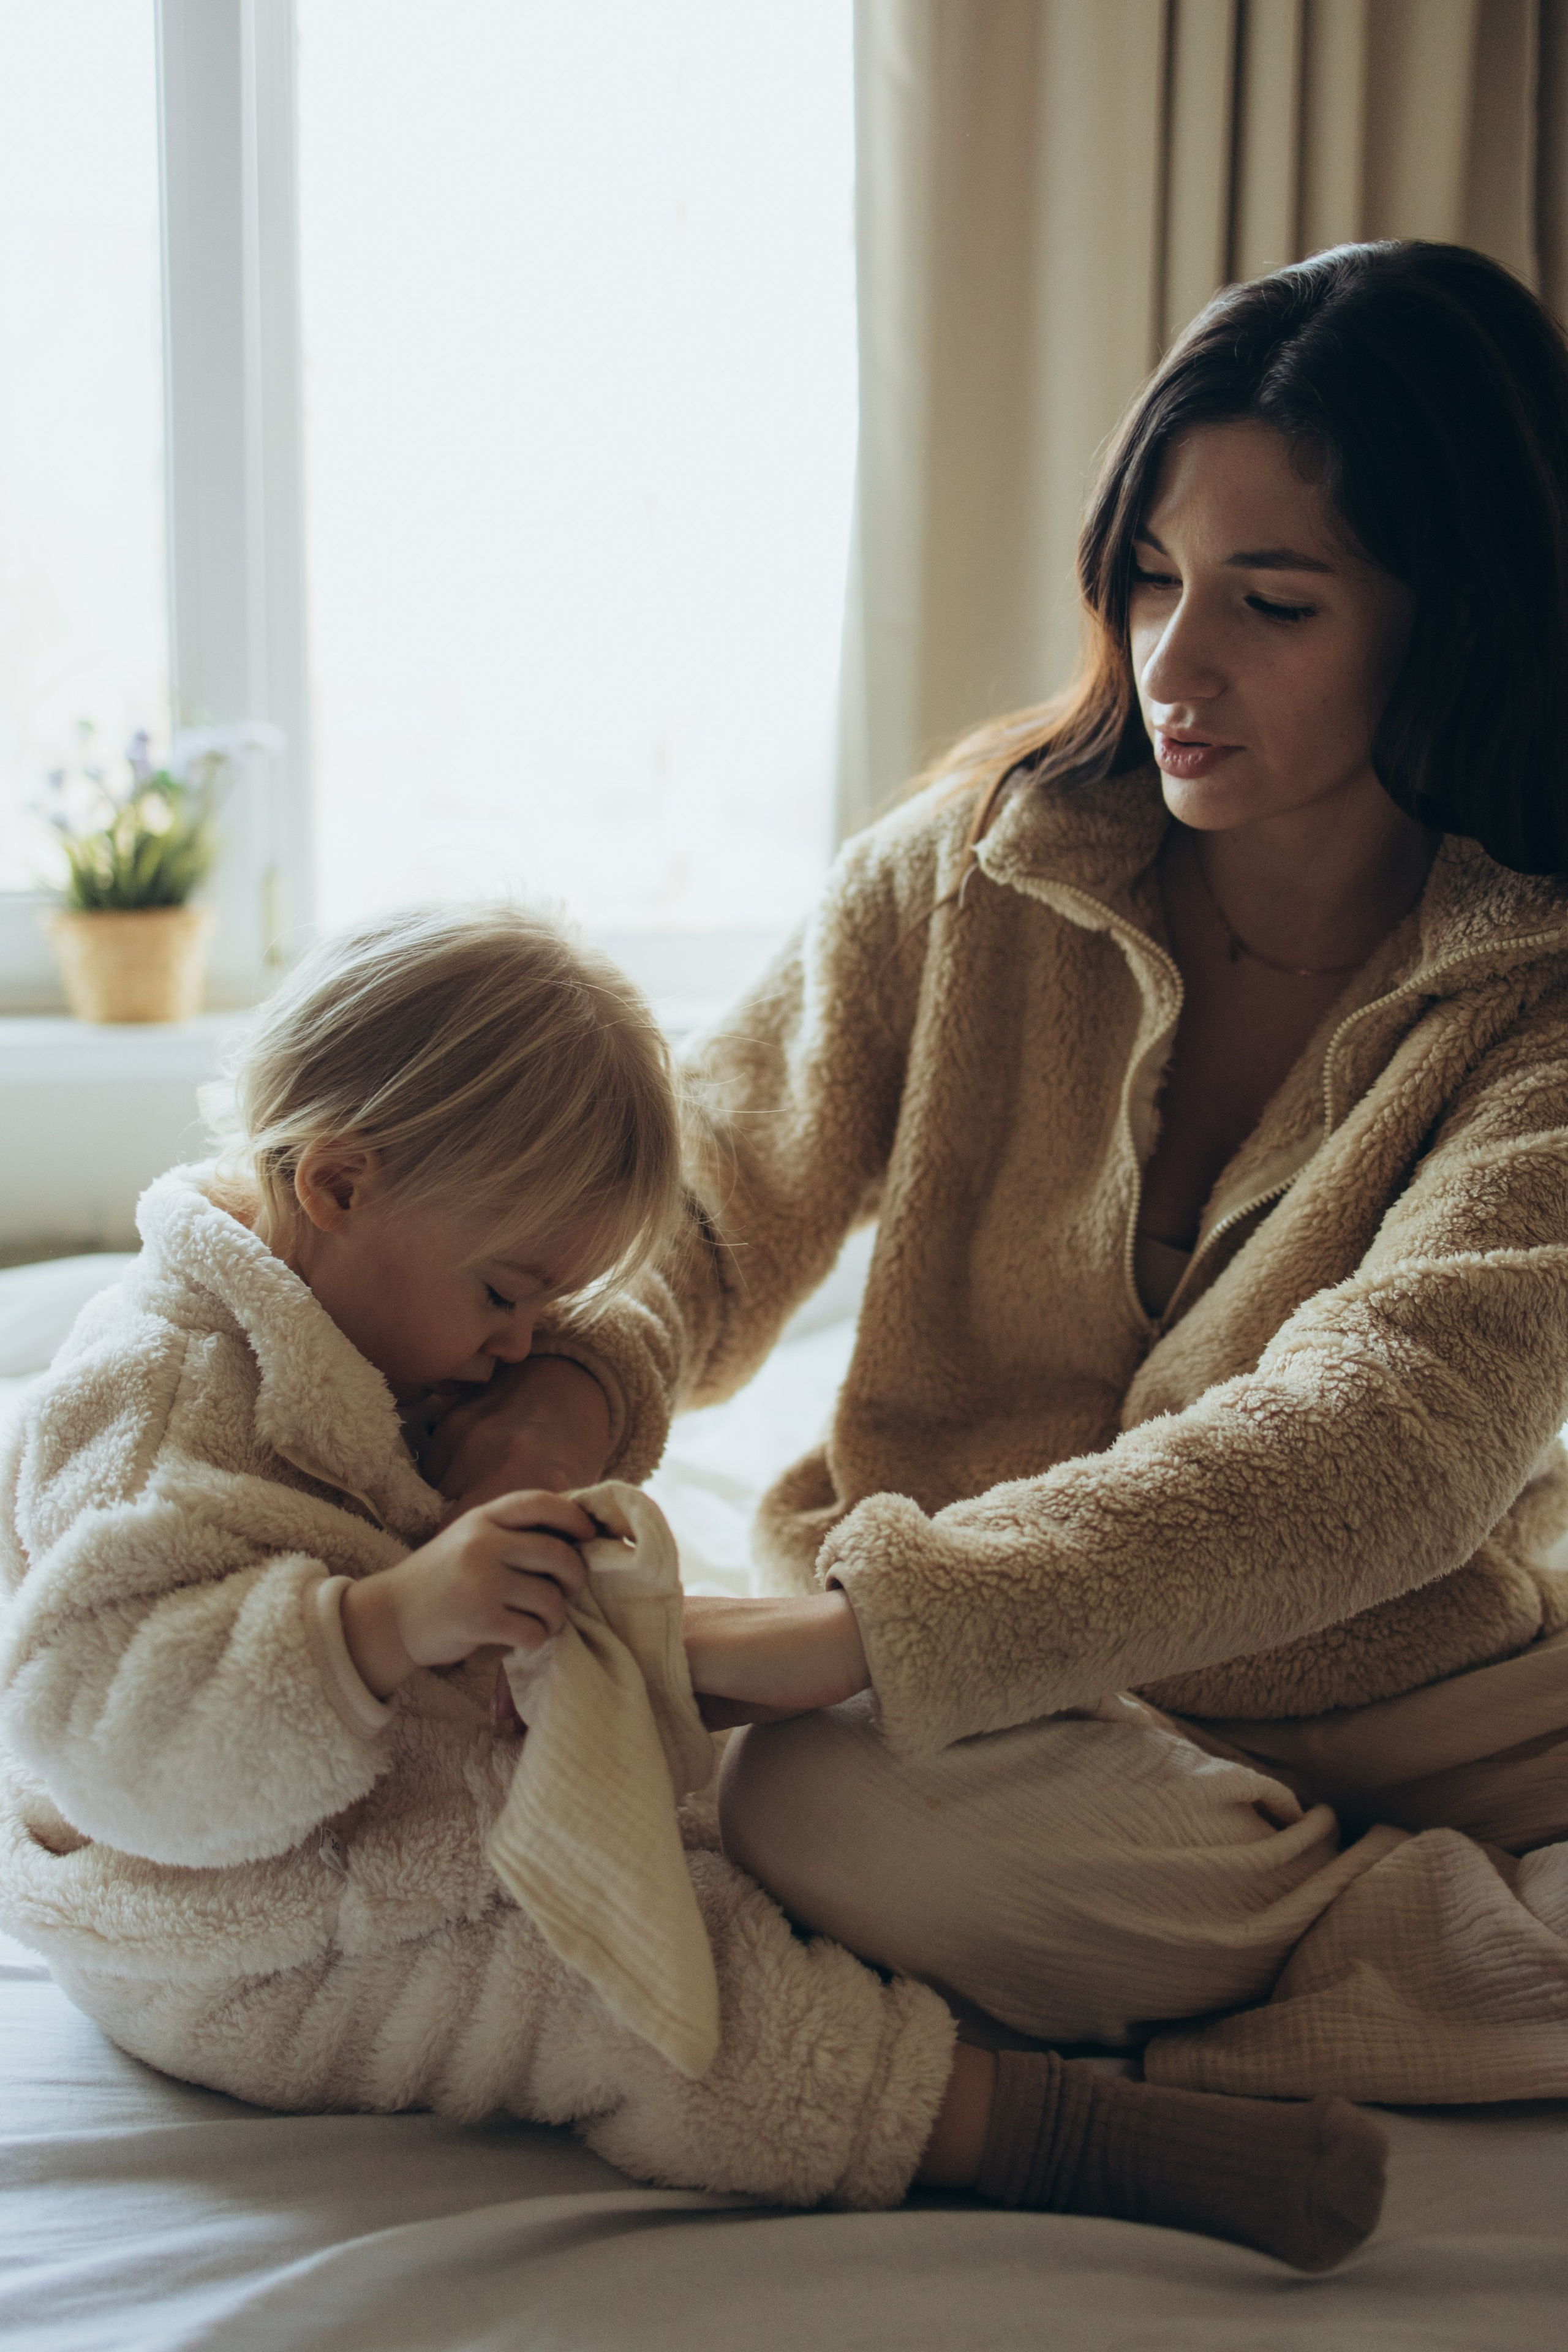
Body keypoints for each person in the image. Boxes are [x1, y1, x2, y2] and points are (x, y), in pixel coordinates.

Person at [429, 240, 1568, 2128]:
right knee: (823, 1803)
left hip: (1409, 1706)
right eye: (1148, 577)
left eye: (1272, 605)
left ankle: (1295, 1963)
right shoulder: (970, 875)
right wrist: (576, 1377)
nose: (1172, 662)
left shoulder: (1536, 999)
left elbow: (1397, 1441)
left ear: (1460, 619)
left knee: (816, 1772)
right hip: (1014, 1731)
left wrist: (866, 1631)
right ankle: (1430, 1967)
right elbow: (706, 1196)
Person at [0, 903, 1380, 2270]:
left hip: (378, 1804)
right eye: (506, 1298)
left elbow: (572, 1333)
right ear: (342, 1187)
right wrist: (377, 1626)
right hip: (224, 1923)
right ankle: (1070, 2140)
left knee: (709, 1844)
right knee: (637, 2002)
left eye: (550, 1310)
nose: (522, 1348)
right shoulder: (159, 1399)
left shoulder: (358, 1309)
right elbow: (98, 1737)